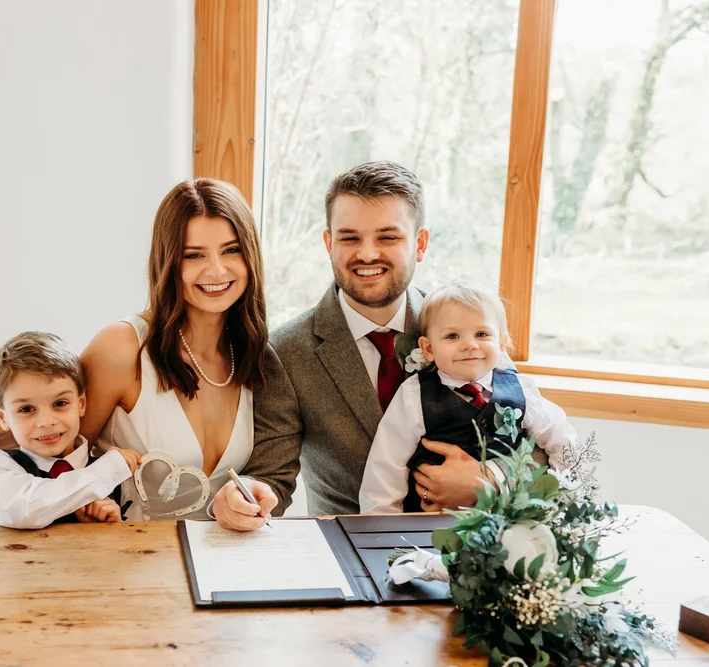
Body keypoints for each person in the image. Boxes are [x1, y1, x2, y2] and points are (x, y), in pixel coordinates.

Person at [213, 161, 549, 531]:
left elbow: (539, 445)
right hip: (347, 543)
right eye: (350, 238)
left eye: (388, 238)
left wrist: (491, 480)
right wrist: (244, 498)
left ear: (420, 244)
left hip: (477, 540)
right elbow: (271, 477)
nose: (368, 254)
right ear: (329, 243)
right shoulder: (285, 350)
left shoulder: (464, 325)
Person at [78, 178, 269, 521]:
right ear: (167, 262)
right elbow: (54, 468)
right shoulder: (121, 348)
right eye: (193, 255)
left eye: (231, 250)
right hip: (129, 548)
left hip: (223, 550)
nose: (217, 270)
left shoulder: (251, 353)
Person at [359, 280, 577, 514]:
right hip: (432, 520)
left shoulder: (522, 390)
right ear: (428, 349)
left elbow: (561, 438)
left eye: (481, 334)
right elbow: (386, 467)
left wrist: (562, 500)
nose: (469, 345)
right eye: (452, 336)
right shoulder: (413, 394)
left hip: (507, 520)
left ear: (501, 343)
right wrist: (382, 526)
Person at [0, 332, 141, 529]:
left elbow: (134, 536)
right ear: (3, 417)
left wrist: (113, 526)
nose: (46, 422)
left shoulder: (120, 479)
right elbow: (25, 509)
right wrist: (105, 472)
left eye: (60, 403)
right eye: (26, 409)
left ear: (81, 404)